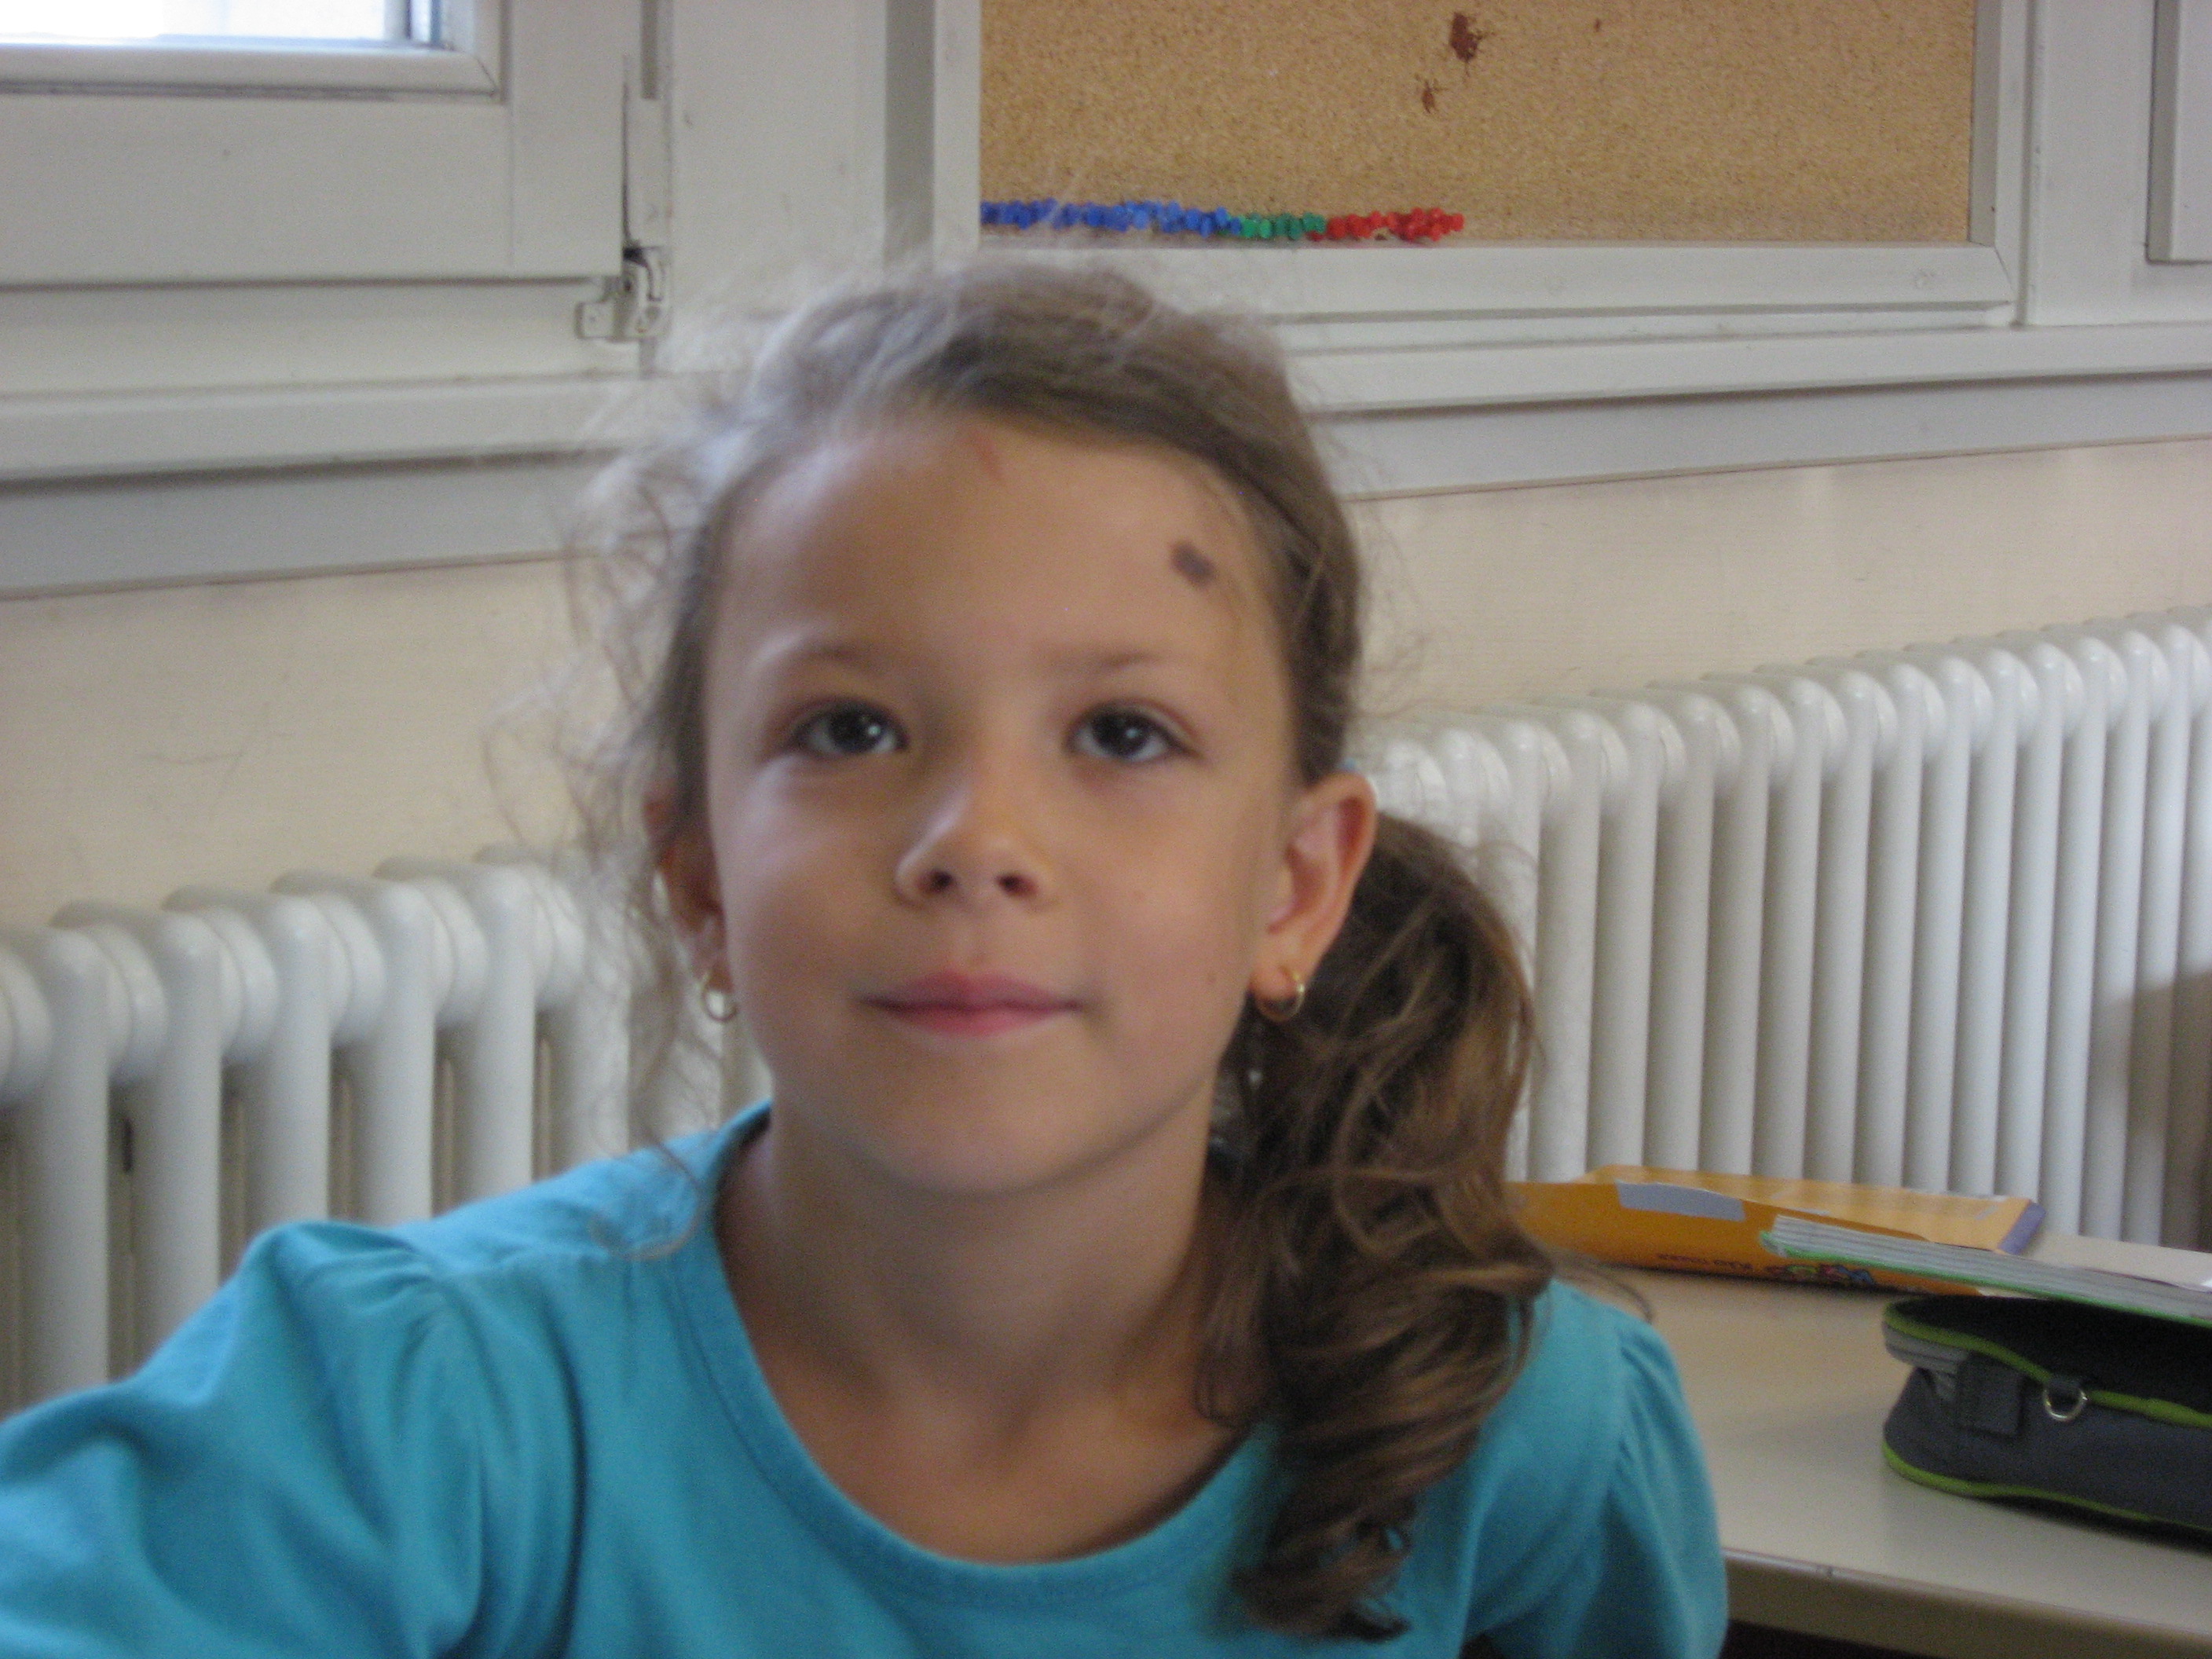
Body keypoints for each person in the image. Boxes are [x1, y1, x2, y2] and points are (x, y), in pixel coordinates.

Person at [0, 262, 1726, 1656]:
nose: (974, 840)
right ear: (698, 875)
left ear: (1293, 886)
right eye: (849, 729)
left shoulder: (1513, 1437)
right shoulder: (403, 1406)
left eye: (1121, 734)